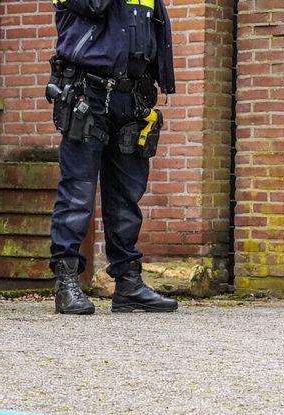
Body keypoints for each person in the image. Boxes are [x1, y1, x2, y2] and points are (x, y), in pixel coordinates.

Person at [46, 0, 179, 315]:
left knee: (127, 194)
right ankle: (66, 282)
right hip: (86, 92)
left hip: (132, 96)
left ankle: (128, 282)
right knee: (78, 190)